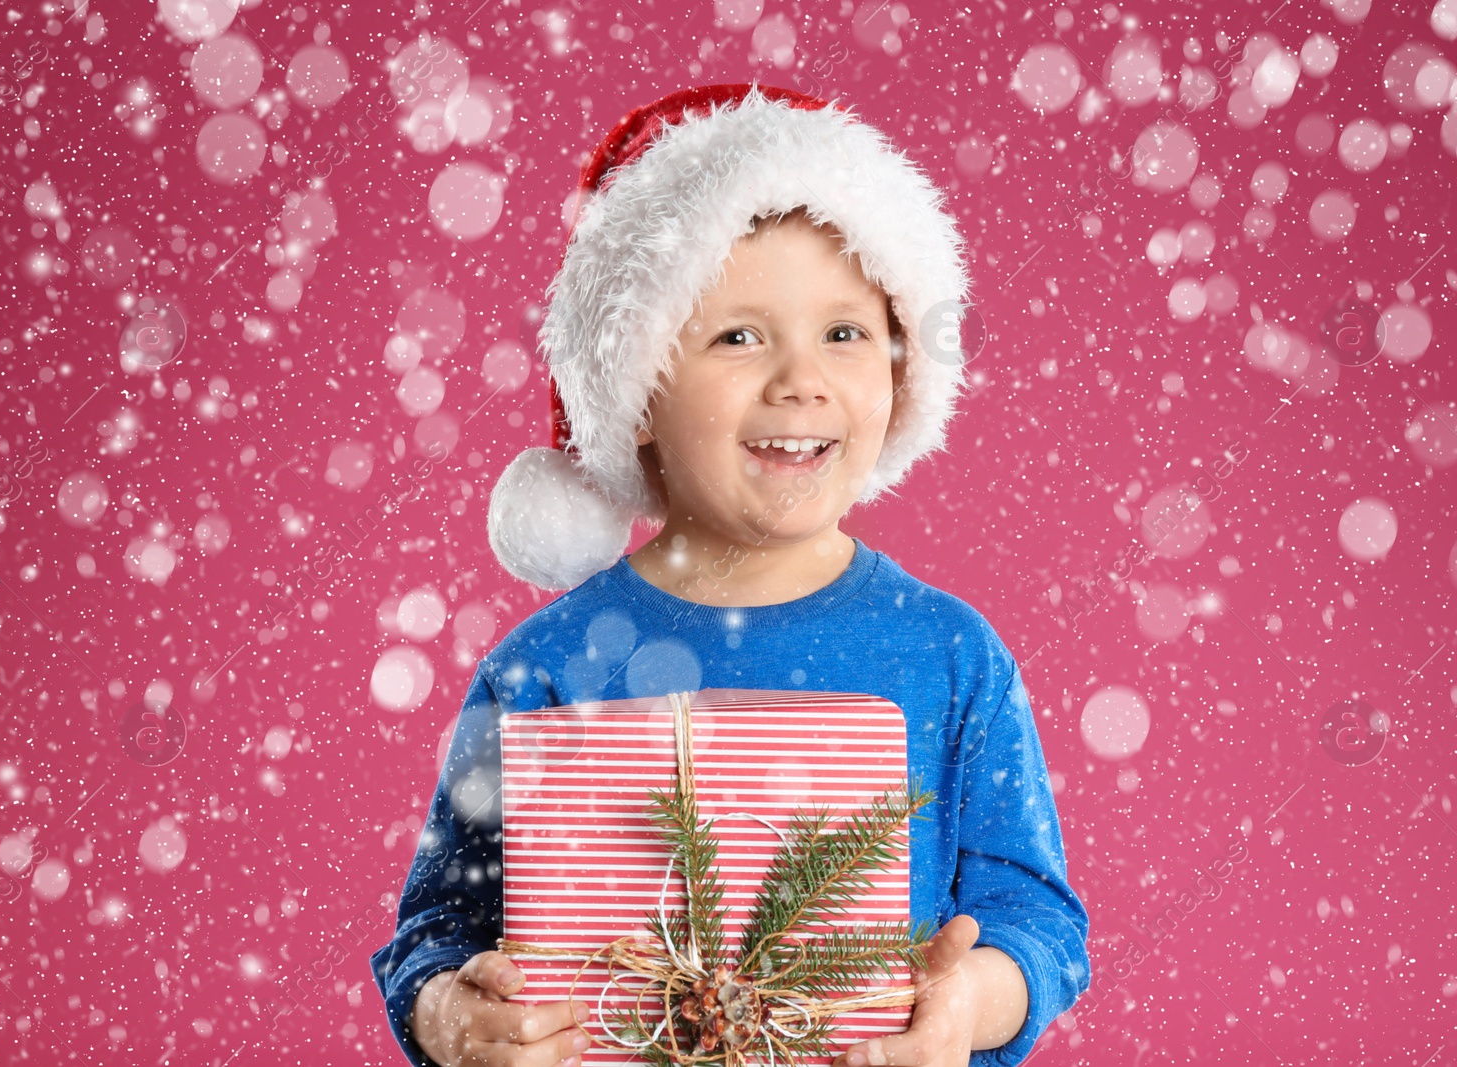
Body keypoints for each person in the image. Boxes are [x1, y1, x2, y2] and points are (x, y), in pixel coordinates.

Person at [371, 82, 1090, 1067]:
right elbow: (437, 933)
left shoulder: (951, 653)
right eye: (738, 335)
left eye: (843, 332)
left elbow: (1035, 918)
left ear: (900, 365)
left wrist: (974, 998)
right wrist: (451, 1016)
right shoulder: (540, 669)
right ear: (633, 392)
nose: (800, 378)